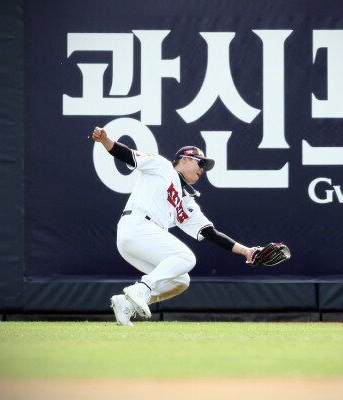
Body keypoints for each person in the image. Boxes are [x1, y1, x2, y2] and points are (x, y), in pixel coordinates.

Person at [91, 127, 258, 326]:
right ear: (184, 159)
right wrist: (105, 140)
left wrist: (246, 251)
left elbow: (209, 233)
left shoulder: (185, 201)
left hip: (139, 240)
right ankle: (142, 287)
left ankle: (126, 303)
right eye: (200, 162)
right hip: (136, 225)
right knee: (186, 257)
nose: (202, 168)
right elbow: (128, 155)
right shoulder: (162, 166)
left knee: (180, 280)